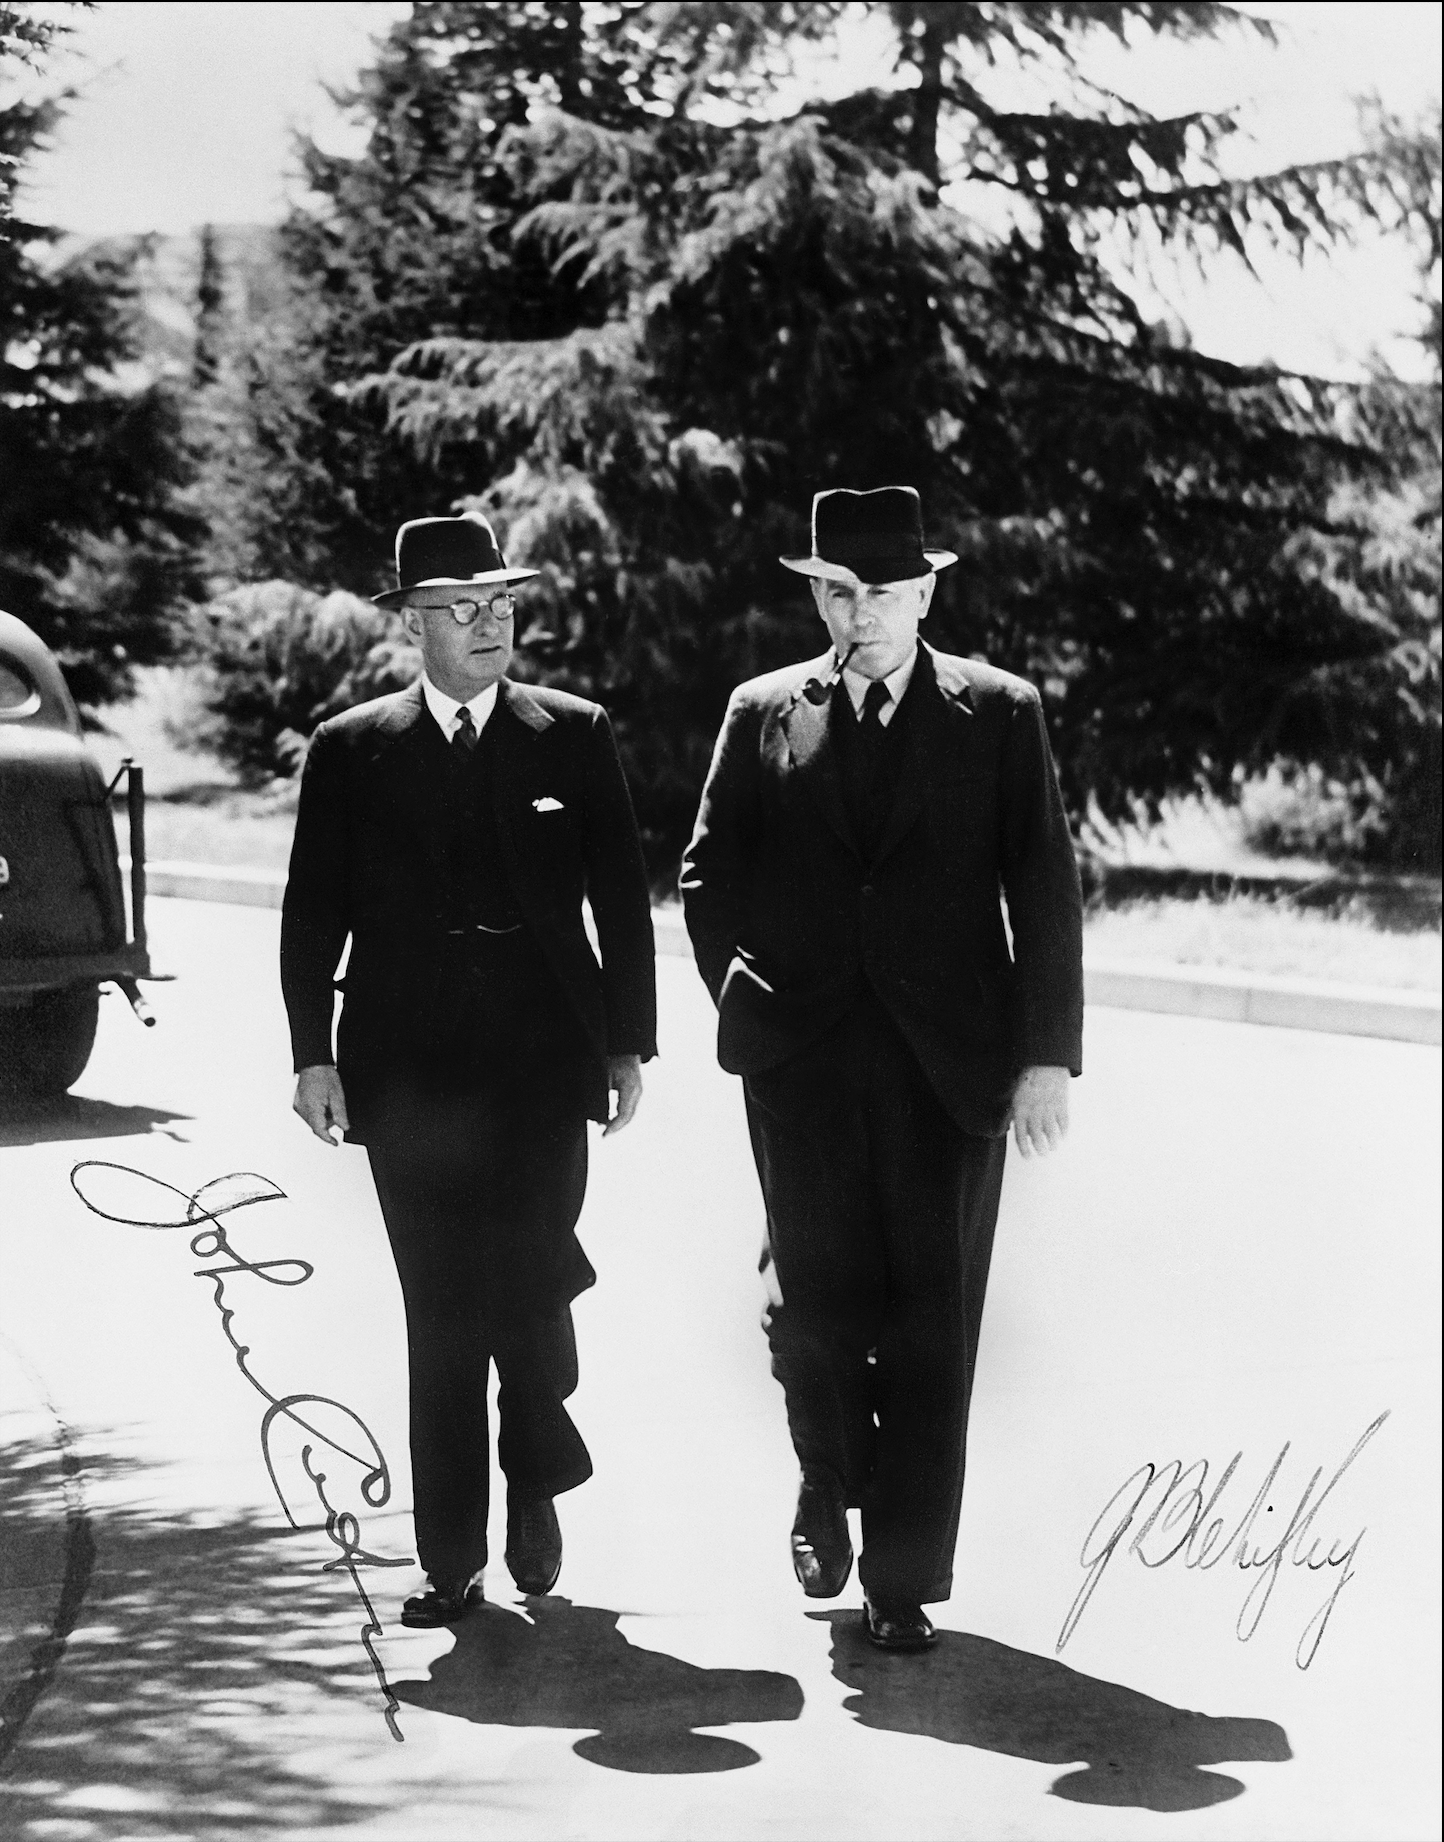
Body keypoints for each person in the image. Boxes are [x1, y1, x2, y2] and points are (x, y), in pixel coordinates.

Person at [680, 485, 1083, 1651]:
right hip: (798, 1062)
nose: (859, 614)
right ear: (817, 593)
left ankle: (901, 1580)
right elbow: (708, 875)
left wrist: (1046, 1057)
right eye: (837, 591)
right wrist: (742, 990)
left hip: (948, 1071)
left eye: (884, 592)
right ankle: (825, 1476)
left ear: (925, 593)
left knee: (930, 1324)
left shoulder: (999, 714)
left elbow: (1043, 886)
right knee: (808, 1313)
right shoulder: (763, 709)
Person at [281, 512, 656, 1629]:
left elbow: (622, 903)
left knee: (533, 1280)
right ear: (413, 623)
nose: (490, 625)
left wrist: (627, 1043)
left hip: (545, 1062)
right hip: (404, 1071)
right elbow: (313, 913)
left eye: (502, 604)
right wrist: (311, 1056)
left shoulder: (571, 733)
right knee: (440, 1305)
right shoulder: (352, 747)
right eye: (462, 609)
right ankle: (450, 1556)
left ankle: (535, 1465)